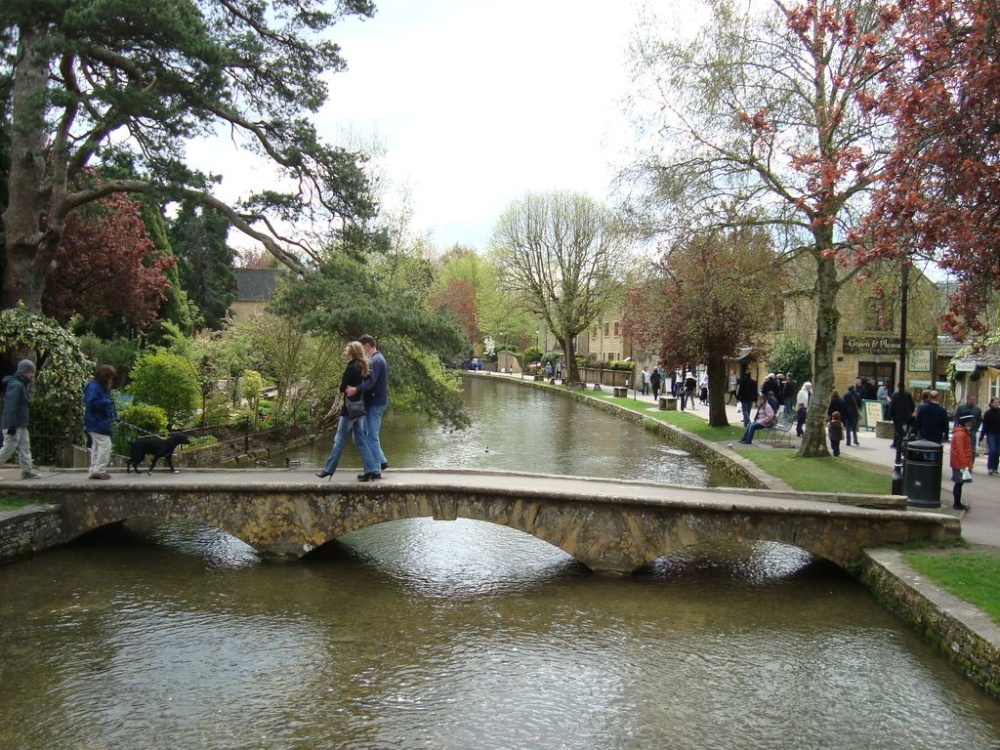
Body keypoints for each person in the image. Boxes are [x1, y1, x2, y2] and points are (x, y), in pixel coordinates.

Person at [316, 341, 380, 481]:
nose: (345, 351)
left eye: (346, 349)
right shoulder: (362, 366)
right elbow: (367, 384)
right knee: (361, 440)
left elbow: (341, 388)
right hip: (359, 408)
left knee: (339, 439)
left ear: (351, 352)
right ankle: (372, 469)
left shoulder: (351, 368)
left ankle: (328, 469)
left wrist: (347, 387)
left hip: (349, 410)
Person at [348, 333, 389, 477]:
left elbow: (371, 383)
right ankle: (378, 466)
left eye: (361, 347)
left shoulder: (376, 360)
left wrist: (355, 389)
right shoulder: (376, 358)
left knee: (371, 436)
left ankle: (378, 467)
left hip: (375, 403)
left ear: (366, 345)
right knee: (368, 435)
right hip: (375, 402)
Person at [0, 359, 41, 479]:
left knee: (24, 447)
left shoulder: (19, 384)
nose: (32, 375)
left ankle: (27, 471)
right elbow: (11, 406)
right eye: (31, 372)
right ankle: (26, 471)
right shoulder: (16, 385)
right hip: (14, 424)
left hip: (20, 423)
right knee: (9, 448)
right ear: (25, 372)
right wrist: (12, 425)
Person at [83, 364, 118, 480]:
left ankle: (94, 469)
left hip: (98, 420)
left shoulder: (98, 386)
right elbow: (91, 403)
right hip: (96, 421)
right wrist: (105, 403)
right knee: (105, 445)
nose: (111, 380)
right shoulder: (95, 387)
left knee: (97, 446)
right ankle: (99, 470)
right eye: (110, 377)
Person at [950, 413, 975, 511]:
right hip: (960, 463)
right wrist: (964, 464)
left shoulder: (962, 433)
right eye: (970, 421)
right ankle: (957, 503)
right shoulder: (961, 434)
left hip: (960, 462)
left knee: (959, 483)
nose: (972, 423)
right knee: (959, 483)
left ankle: (957, 503)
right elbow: (960, 450)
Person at [888, 383, 915, 448]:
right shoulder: (908, 394)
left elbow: (892, 406)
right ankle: (900, 442)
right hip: (906, 415)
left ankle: (896, 443)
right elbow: (913, 405)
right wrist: (910, 412)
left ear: (898, 387)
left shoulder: (895, 394)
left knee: (897, 429)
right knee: (903, 428)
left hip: (897, 415)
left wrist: (890, 415)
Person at [979, 397, 1000, 476]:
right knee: (993, 450)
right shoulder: (988, 413)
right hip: (991, 433)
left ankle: (995, 468)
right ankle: (990, 467)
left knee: (998, 451)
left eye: (998, 402)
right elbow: (985, 426)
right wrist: (981, 436)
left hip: (999, 434)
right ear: (991, 403)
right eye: (995, 402)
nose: (997, 404)